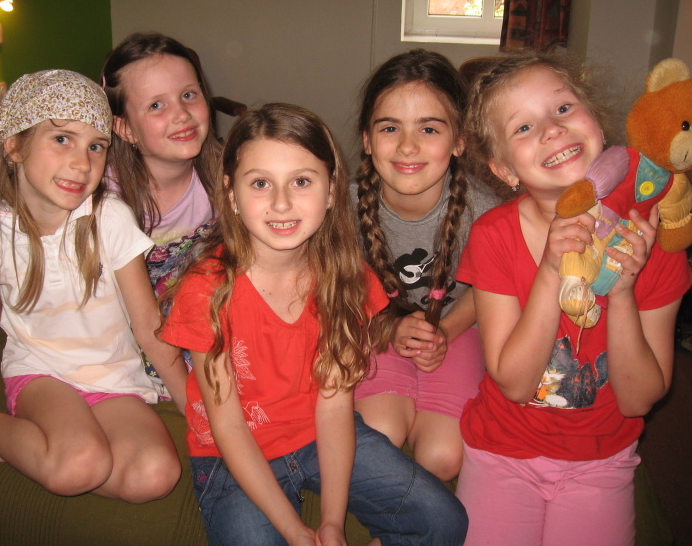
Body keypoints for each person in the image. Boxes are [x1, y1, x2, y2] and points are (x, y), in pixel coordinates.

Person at [159, 103, 468, 546]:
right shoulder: (206, 290)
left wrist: (331, 524)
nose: (281, 203)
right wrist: (294, 530)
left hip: (316, 435)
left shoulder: (347, 279)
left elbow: (335, 407)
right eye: (260, 183)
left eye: (301, 181)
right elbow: (228, 427)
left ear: (331, 190)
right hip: (232, 453)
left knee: (443, 520)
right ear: (231, 193)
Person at [0, 70, 185, 503]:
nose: (82, 163)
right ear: (14, 146)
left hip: (113, 377)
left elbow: (148, 327)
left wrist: (197, 409)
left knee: (154, 476)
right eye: (62, 139)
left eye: (96, 146)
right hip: (42, 373)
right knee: (78, 466)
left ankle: (7, 447)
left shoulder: (110, 219)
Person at [455, 51, 692, 545]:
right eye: (523, 127)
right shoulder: (494, 235)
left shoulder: (658, 244)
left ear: (598, 125)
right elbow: (514, 383)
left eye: (563, 108)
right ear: (504, 170)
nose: (552, 129)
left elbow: (639, 399)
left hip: (602, 459)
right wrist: (549, 270)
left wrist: (622, 294)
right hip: (504, 451)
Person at [352, 48, 497, 481]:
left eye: (429, 128)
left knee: (442, 457)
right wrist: (389, 326)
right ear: (366, 140)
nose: (407, 146)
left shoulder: (484, 211)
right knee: (379, 435)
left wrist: (443, 332)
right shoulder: (341, 206)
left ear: (459, 141)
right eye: (390, 128)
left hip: (458, 328)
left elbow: (488, 290)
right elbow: (339, 284)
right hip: (376, 326)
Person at [101, 32, 222, 399]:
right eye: (156, 105)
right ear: (125, 128)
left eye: (189, 95)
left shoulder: (224, 176)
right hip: (129, 317)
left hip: (191, 304)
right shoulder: (105, 196)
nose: (182, 114)